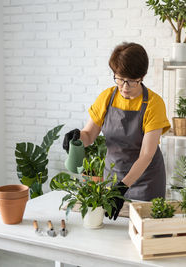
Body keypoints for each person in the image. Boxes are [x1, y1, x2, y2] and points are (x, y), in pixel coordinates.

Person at [63, 42, 170, 220]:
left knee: (143, 231)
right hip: (112, 178)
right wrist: (77, 137)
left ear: (142, 77)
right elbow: (89, 135)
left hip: (146, 181)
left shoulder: (154, 104)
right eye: (119, 79)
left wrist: (122, 187)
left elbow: (146, 155)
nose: (124, 87)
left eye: (131, 81)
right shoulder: (107, 97)